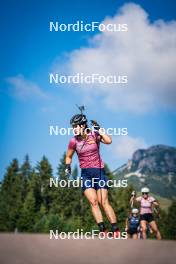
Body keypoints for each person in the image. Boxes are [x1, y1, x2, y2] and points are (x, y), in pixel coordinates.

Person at [65, 113, 120, 237]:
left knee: (103, 202)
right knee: (93, 202)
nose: (74, 129)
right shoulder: (73, 141)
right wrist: (68, 167)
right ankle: (103, 231)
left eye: (76, 126)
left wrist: (100, 129)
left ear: (83, 125)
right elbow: (68, 157)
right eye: (72, 127)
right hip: (86, 174)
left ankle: (115, 230)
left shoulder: (94, 135)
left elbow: (109, 141)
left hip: (99, 172)